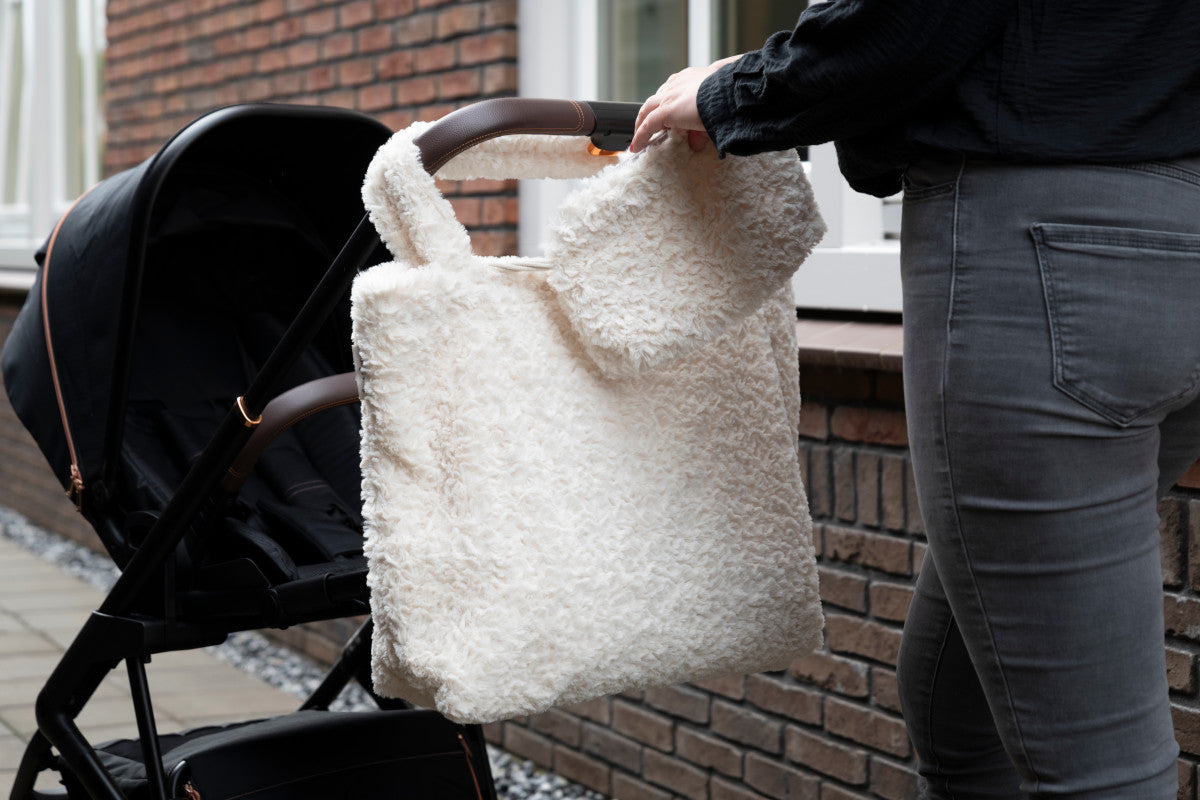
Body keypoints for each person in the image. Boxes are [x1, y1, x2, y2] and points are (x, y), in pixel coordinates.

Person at [632, 2, 1200, 798]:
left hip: (1050, 247)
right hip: (1169, 243)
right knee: (956, 704)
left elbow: (913, 20)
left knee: (1098, 771)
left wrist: (740, 91)